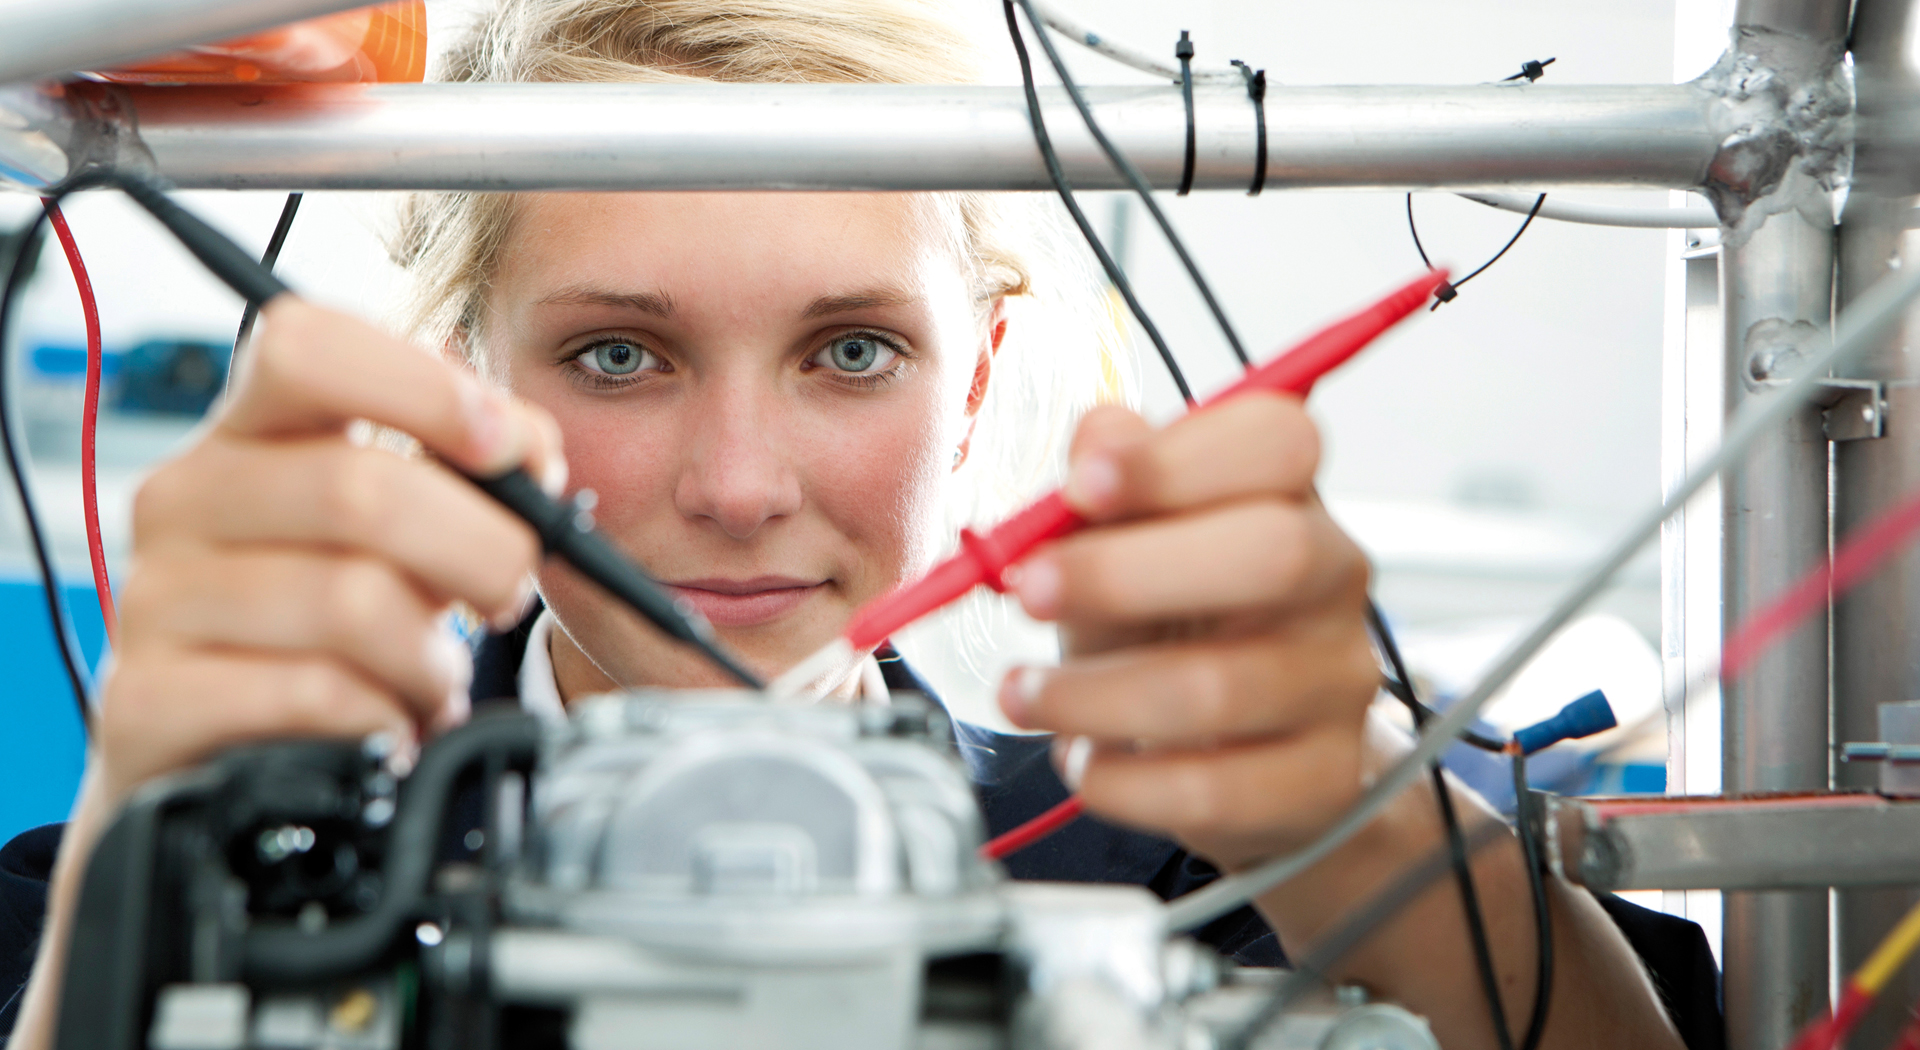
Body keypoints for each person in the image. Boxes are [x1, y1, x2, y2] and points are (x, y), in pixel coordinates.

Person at [0, 2, 1721, 1048]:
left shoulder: (1188, 873)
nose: (741, 481)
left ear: (971, 393)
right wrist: (122, 898)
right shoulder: (189, 890)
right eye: (621, 351)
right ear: (470, 375)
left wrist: (1373, 827)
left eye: (850, 352)